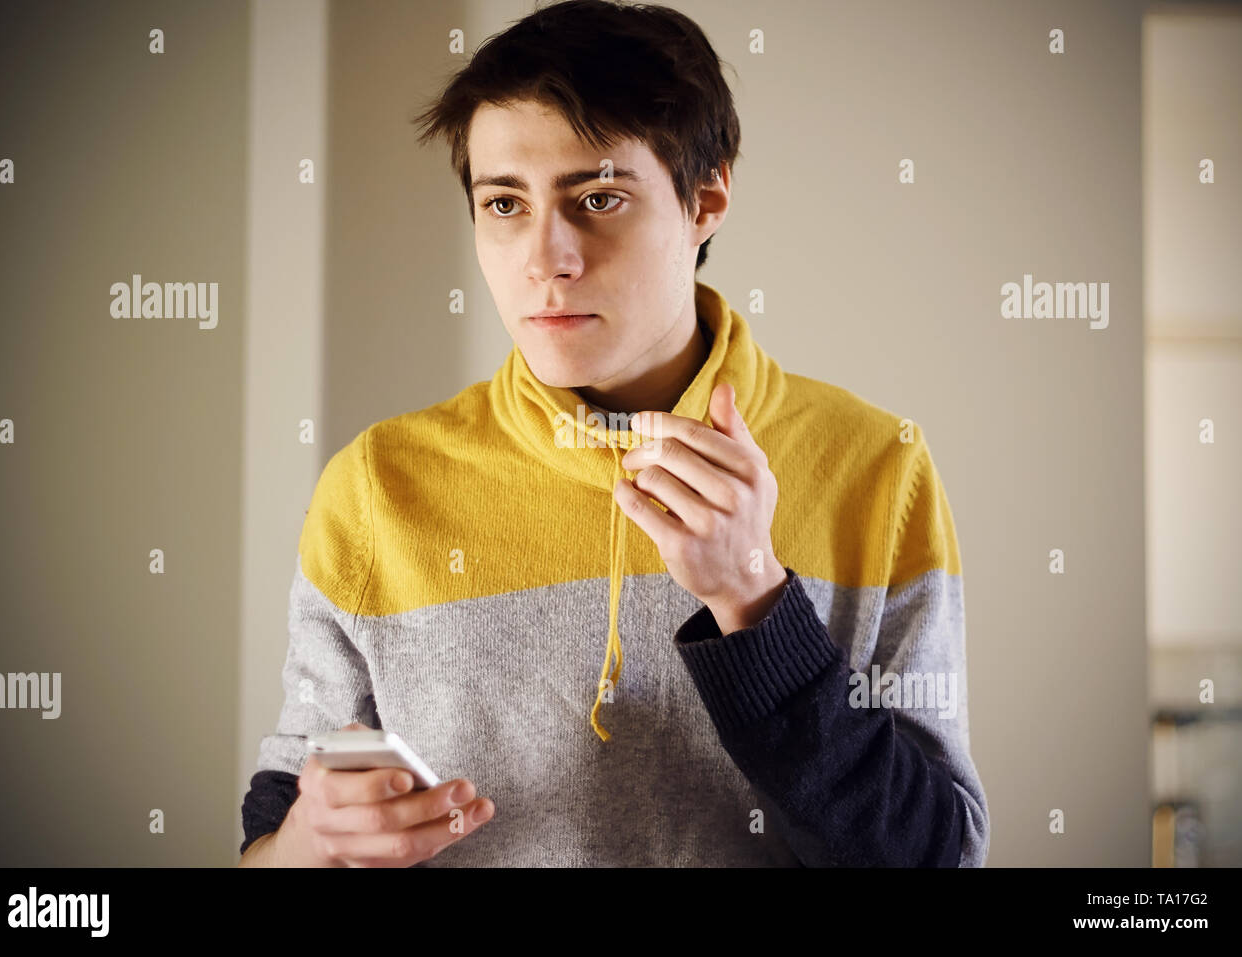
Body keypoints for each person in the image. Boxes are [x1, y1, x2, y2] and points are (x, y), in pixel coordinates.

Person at [239, 0, 988, 867]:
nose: (545, 259)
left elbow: (938, 855)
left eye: (597, 198)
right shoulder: (375, 483)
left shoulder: (878, 467)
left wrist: (753, 600)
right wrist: (306, 843)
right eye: (505, 204)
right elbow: (272, 839)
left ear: (707, 195)